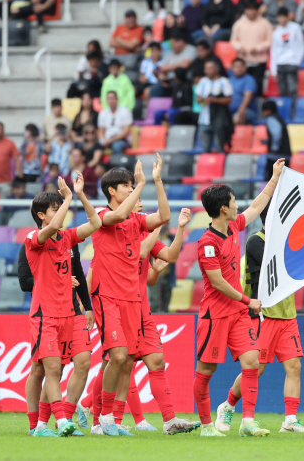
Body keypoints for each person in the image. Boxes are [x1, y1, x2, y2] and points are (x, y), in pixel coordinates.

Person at [192, 159, 285, 438]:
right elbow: (217, 282)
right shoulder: (207, 242)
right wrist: (248, 301)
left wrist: (275, 177)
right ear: (223, 208)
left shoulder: (233, 228)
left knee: (252, 363)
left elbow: (256, 206)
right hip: (215, 315)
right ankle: (207, 425)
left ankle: (247, 422)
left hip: (237, 315)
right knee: (205, 371)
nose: (237, 205)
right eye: (233, 201)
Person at [217, 202, 304, 434]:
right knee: (256, 369)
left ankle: (290, 420)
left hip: (287, 313)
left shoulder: (289, 244)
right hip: (261, 314)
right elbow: (280, 268)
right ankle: (228, 405)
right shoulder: (256, 241)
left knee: (294, 366)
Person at [89, 159, 171, 436]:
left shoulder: (136, 221)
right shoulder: (100, 214)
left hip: (131, 299)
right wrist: (143, 185)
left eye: (132, 185)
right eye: (126, 185)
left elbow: (163, 216)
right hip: (106, 297)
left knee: (123, 360)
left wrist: (157, 181)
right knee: (118, 355)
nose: (131, 189)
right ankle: (103, 418)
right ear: (112, 191)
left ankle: (106, 418)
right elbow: (117, 216)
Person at [23, 175, 101, 436]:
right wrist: (66, 197)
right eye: (54, 209)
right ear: (41, 215)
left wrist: (78, 194)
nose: (60, 214)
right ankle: (59, 420)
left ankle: (44, 425)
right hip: (44, 315)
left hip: (69, 314)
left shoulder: (66, 238)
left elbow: (96, 223)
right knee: (51, 368)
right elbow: (54, 225)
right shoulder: (34, 237)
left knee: (61, 367)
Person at [117, 208, 201, 434]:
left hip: (143, 312)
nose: (141, 207)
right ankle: (105, 417)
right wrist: (159, 224)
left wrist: (180, 228)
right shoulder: (116, 233)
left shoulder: (146, 236)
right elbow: (140, 253)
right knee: (118, 364)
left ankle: (169, 420)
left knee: (156, 361)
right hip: (120, 310)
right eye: (137, 203)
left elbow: (170, 258)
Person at [230, 2, 273, 96]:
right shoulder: (239, 24)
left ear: (257, 11)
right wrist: (240, 47)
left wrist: (258, 48)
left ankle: (257, 106)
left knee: (257, 85)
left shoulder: (265, 23)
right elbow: (233, 40)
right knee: (243, 86)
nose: (251, 12)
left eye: (253, 9)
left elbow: (270, 40)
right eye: (249, 10)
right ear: (245, 11)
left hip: (259, 60)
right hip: (243, 61)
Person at [197, 60, 234, 153]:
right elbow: (198, 99)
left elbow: (228, 100)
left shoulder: (224, 81)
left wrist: (214, 100)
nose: (207, 71)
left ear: (217, 69)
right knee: (205, 149)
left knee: (219, 148)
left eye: (210, 68)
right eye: (205, 69)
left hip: (219, 119)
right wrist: (201, 99)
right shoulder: (203, 81)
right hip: (204, 119)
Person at [271, 7, 304, 100]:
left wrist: (297, 61)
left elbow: (301, 46)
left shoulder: (295, 28)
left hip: (292, 63)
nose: (282, 19)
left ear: (287, 17)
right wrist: (273, 70)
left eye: (283, 17)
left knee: (293, 89)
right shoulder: (276, 32)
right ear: (277, 18)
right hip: (280, 64)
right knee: (282, 91)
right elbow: (273, 51)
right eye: (280, 17)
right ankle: (285, 113)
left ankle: (293, 113)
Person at [155, 33, 197, 97]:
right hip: (168, 80)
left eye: (173, 43)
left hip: (183, 80)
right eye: (171, 44)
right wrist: (162, 79)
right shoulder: (170, 53)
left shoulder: (191, 49)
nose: (172, 46)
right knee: (154, 89)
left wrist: (167, 67)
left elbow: (185, 65)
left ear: (181, 42)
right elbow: (161, 69)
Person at [261, 100, 291, 180]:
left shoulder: (271, 119)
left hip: (276, 157)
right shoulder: (279, 119)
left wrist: (274, 147)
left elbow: (277, 134)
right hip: (284, 155)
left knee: (271, 181)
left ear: (268, 110)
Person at [229, 58, 257, 124]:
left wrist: (241, 109)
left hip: (247, 110)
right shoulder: (229, 79)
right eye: (236, 66)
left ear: (245, 68)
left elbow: (248, 97)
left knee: (237, 118)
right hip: (230, 111)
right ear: (232, 68)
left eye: (241, 66)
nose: (239, 69)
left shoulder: (249, 80)